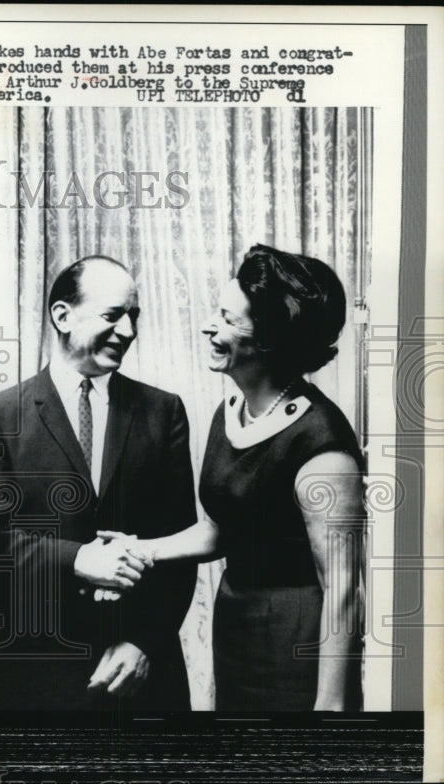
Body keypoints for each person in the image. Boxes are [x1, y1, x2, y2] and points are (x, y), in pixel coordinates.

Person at [102, 245, 364, 711]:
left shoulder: (323, 444)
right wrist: (141, 548)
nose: (209, 327)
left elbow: (343, 589)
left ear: (267, 340)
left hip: (295, 644)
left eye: (226, 319)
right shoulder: (232, 411)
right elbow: (222, 528)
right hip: (237, 630)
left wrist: (331, 711)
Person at [0, 255, 197, 710]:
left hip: (144, 678)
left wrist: (143, 644)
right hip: (36, 679)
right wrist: (77, 560)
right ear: (62, 316)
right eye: (114, 315)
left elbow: (182, 545)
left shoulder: (163, 412)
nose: (129, 331)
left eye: (133, 316)